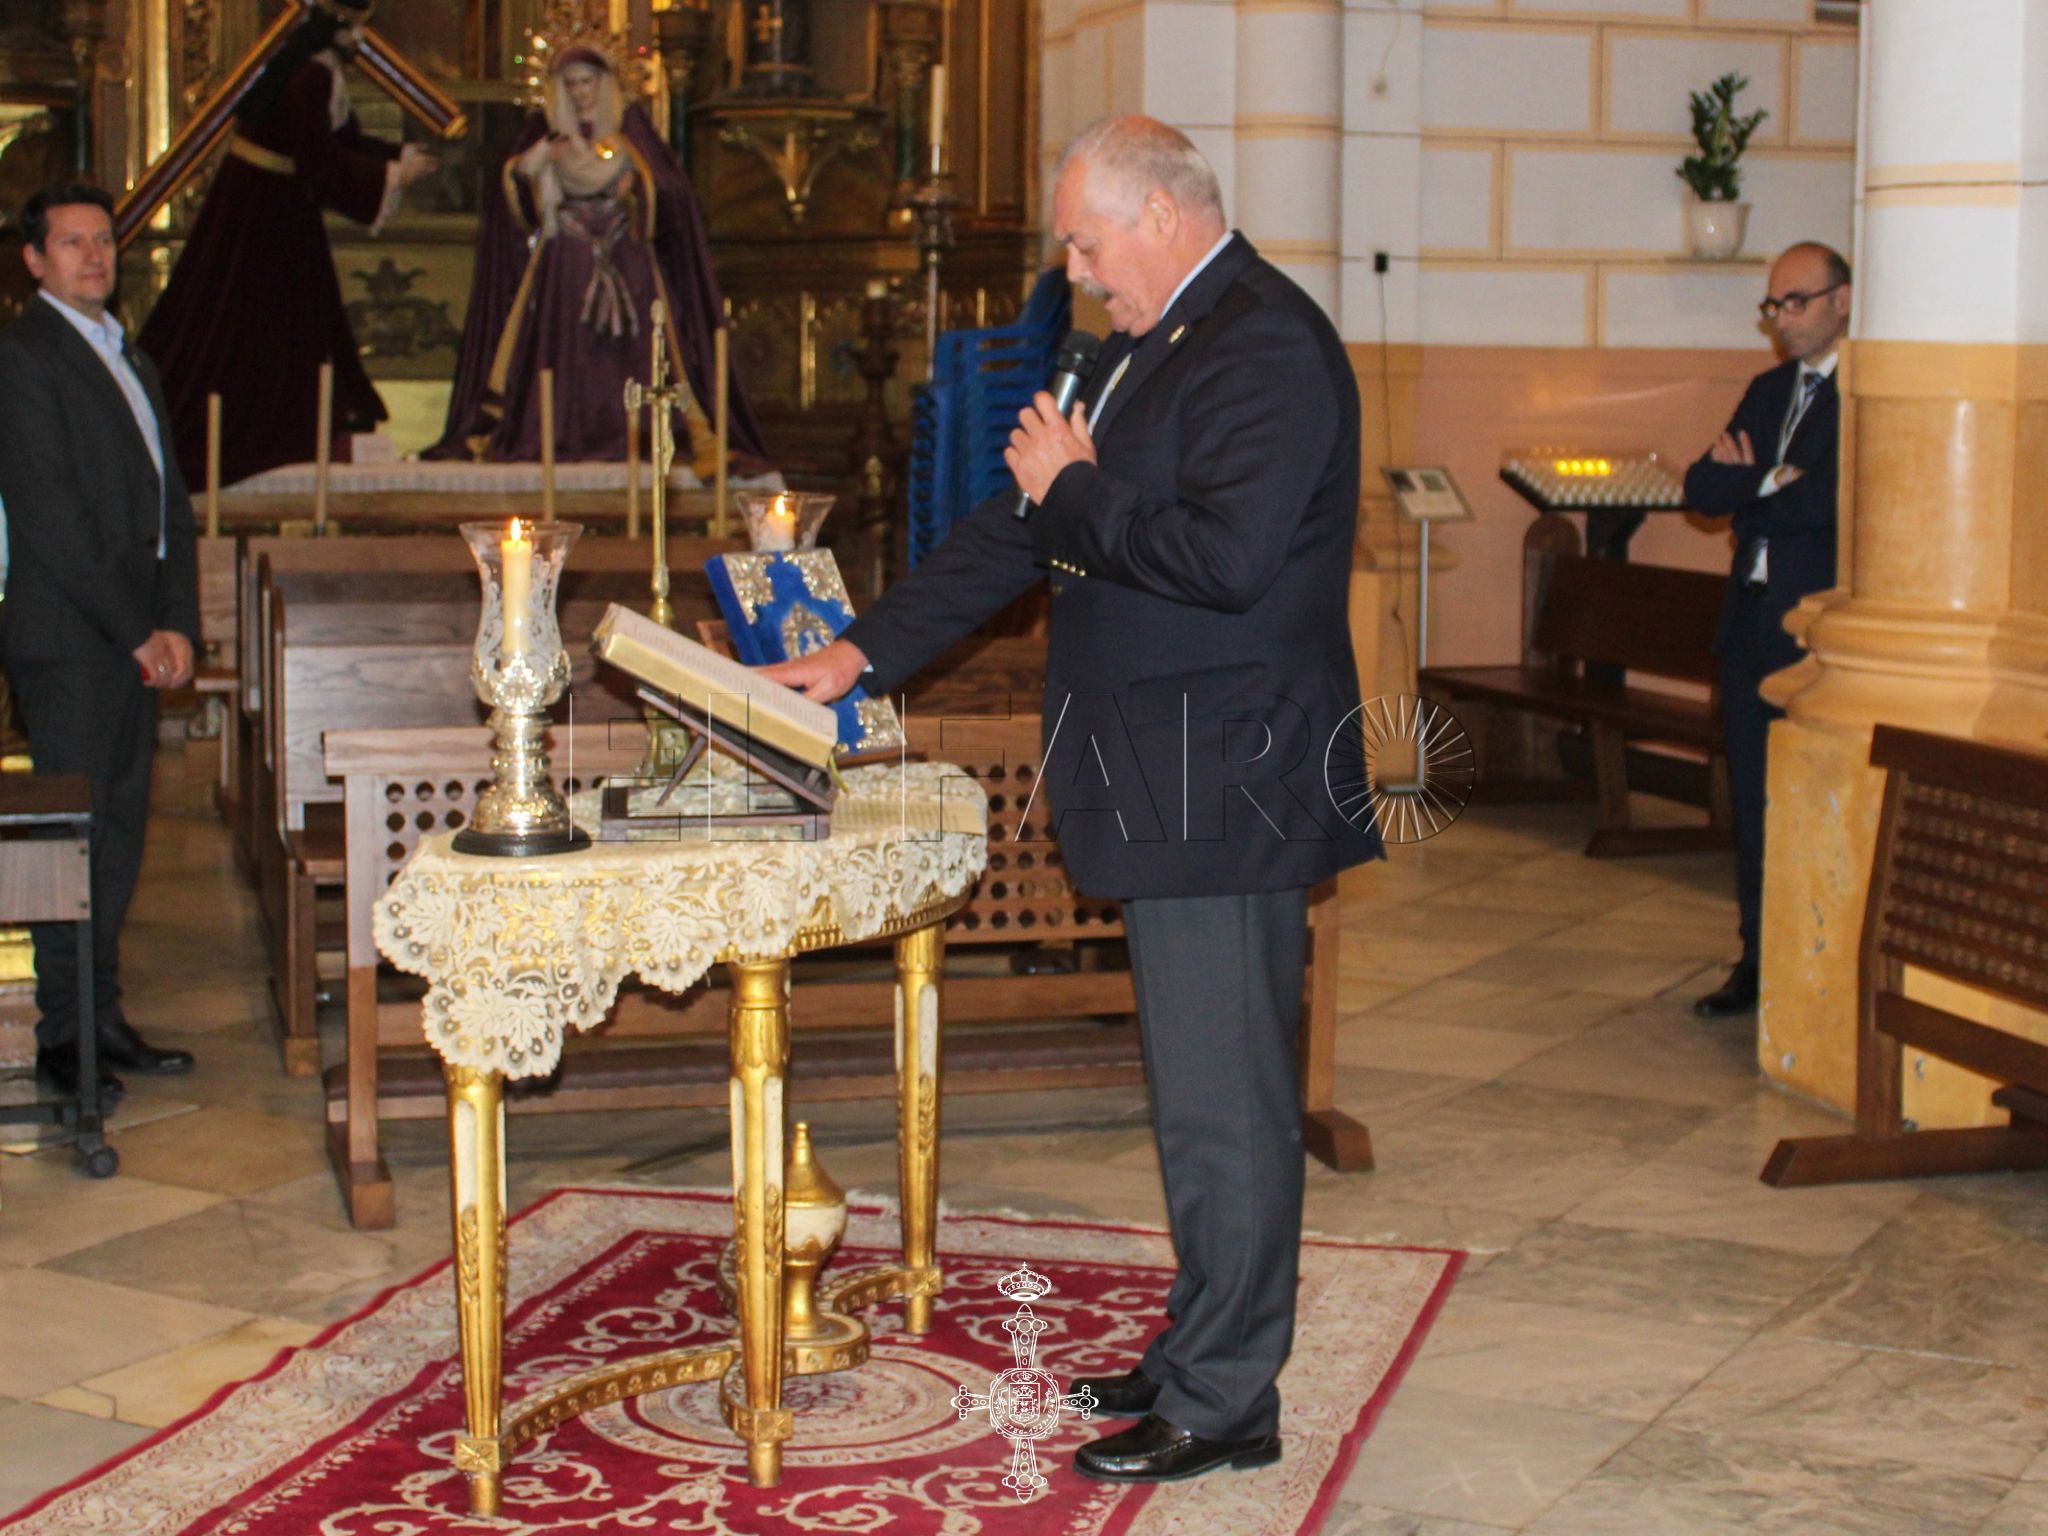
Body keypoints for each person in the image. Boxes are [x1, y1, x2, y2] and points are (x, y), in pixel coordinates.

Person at [763, 115, 1378, 1484]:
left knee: (1230, 1100)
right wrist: (864, 649)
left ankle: (1227, 1402)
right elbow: (1016, 526)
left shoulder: (1268, 345)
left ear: (1162, 216)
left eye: (1091, 245)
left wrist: (1080, 486)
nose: (1081, 272)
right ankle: (1196, 1348)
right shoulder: (1143, 340)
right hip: (1160, 765)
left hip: (1228, 777)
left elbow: (1222, 557)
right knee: (1196, 1089)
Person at [0, 184, 200, 1096]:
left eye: (104, 241)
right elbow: (53, 518)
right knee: (67, 841)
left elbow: (170, 509)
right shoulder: (23, 355)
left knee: (117, 839)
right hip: (71, 639)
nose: (94, 256)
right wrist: (137, 632)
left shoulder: (131, 355)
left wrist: (181, 624)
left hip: (128, 637)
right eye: (72, 243)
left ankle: (101, 1019)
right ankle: (61, 1036)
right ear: (35, 261)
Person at [425, 33, 767, 467]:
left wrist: (635, 187)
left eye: (587, 82)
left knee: (631, 354)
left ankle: (636, 436)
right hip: (566, 258)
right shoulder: (545, 134)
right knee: (564, 351)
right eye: (570, 84)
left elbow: (671, 191)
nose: (579, 92)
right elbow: (512, 191)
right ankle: (563, 433)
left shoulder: (632, 130)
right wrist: (537, 165)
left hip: (626, 259)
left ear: (604, 83)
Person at [137, 0, 437, 486]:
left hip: (274, 209)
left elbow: (343, 141)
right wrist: (393, 174)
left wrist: (397, 155)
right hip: (267, 218)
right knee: (264, 326)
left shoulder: (313, 69)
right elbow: (320, 163)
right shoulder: (313, 75)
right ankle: (273, 430)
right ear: (339, 29)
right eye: (358, 29)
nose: (362, 39)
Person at [1684, 241, 1849, 1018]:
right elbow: (1701, 488)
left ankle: (1809, 960)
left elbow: (1830, 505)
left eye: (1796, 302)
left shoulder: (1871, 394)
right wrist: (1766, 480)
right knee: (1752, 803)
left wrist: (1754, 487)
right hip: (1747, 626)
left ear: (1841, 301)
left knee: (1808, 803)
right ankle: (1756, 957)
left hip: (1811, 628)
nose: (1781, 319)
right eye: (1773, 305)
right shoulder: (1767, 388)